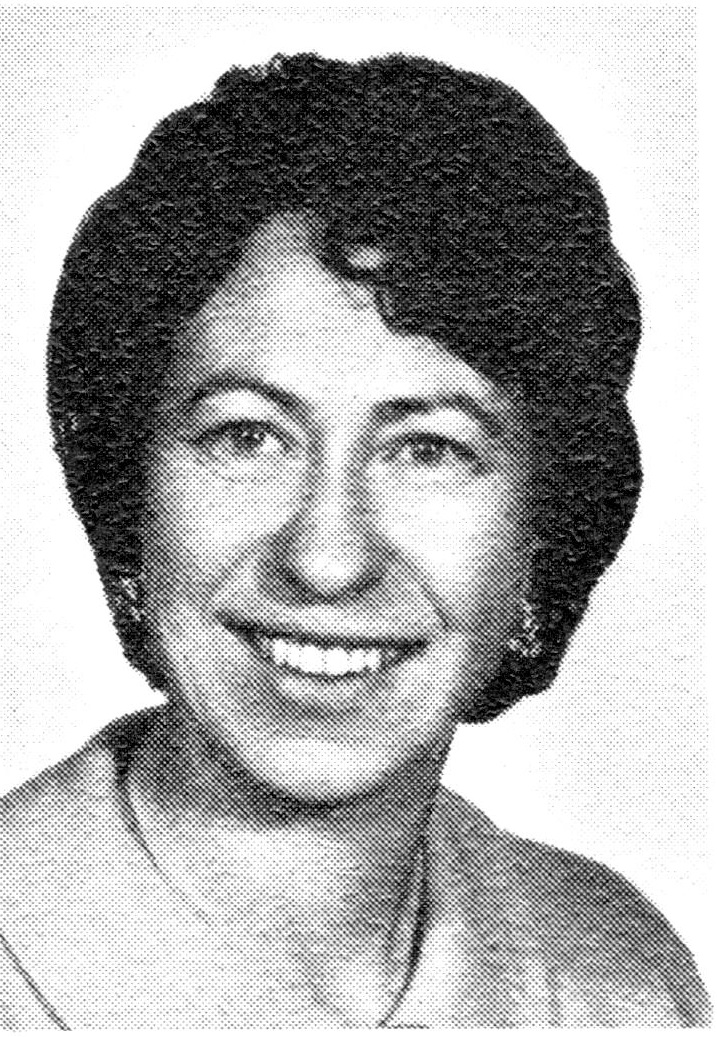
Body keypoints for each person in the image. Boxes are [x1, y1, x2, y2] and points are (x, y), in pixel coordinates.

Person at [0, 53, 709, 1028]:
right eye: (247, 437)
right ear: (130, 506)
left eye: (429, 449)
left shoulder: (624, 979)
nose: (327, 560)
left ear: (540, 540)